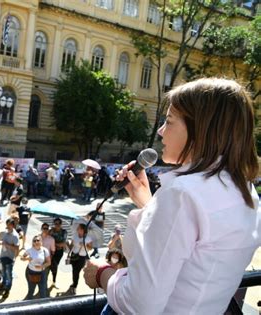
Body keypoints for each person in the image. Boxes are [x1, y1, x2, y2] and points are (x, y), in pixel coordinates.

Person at [83, 78, 261, 314]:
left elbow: (139, 305)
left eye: (168, 121)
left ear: (200, 130)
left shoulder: (182, 194)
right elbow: (195, 264)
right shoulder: (245, 191)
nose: (160, 131)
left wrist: (102, 274)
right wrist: (149, 204)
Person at [21, 235, 50, 299]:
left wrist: (42, 266)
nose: (36, 242)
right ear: (33, 242)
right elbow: (22, 258)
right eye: (34, 241)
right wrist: (27, 259)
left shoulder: (45, 251)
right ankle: (29, 304)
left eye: (38, 240)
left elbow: (49, 262)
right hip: (31, 272)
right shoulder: (29, 250)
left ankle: (43, 306)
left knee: (42, 291)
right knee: (31, 290)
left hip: (42, 273)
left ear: (41, 241)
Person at [0, 218, 19, 298]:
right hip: (3, 256)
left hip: (10, 258)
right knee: (3, 273)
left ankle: (7, 290)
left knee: (9, 275)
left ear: (13, 225)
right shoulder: (5, 232)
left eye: (9, 225)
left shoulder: (15, 236)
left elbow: (16, 248)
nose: (7, 226)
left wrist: (7, 245)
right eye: (7, 224)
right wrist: (1, 243)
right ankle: (3, 284)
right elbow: (2, 241)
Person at [68, 223, 92, 294]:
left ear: (82, 230)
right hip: (74, 255)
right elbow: (71, 245)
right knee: (74, 270)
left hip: (82, 256)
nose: (77, 229)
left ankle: (75, 285)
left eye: (78, 228)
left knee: (76, 271)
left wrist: (85, 245)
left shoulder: (88, 238)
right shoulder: (75, 235)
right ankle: (74, 283)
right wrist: (67, 245)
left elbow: (90, 248)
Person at [49, 217, 67, 286]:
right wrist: (50, 232)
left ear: (61, 224)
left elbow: (63, 244)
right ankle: (52, 280)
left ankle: (54, 281)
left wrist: (54, 243)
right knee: (51, 266)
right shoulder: (51, 231)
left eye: (59, 223)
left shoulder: (64, 232)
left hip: (59, 252)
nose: (57, 225)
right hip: (51, 251)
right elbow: (47, 238)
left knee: (55, 266)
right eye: (56, 223)